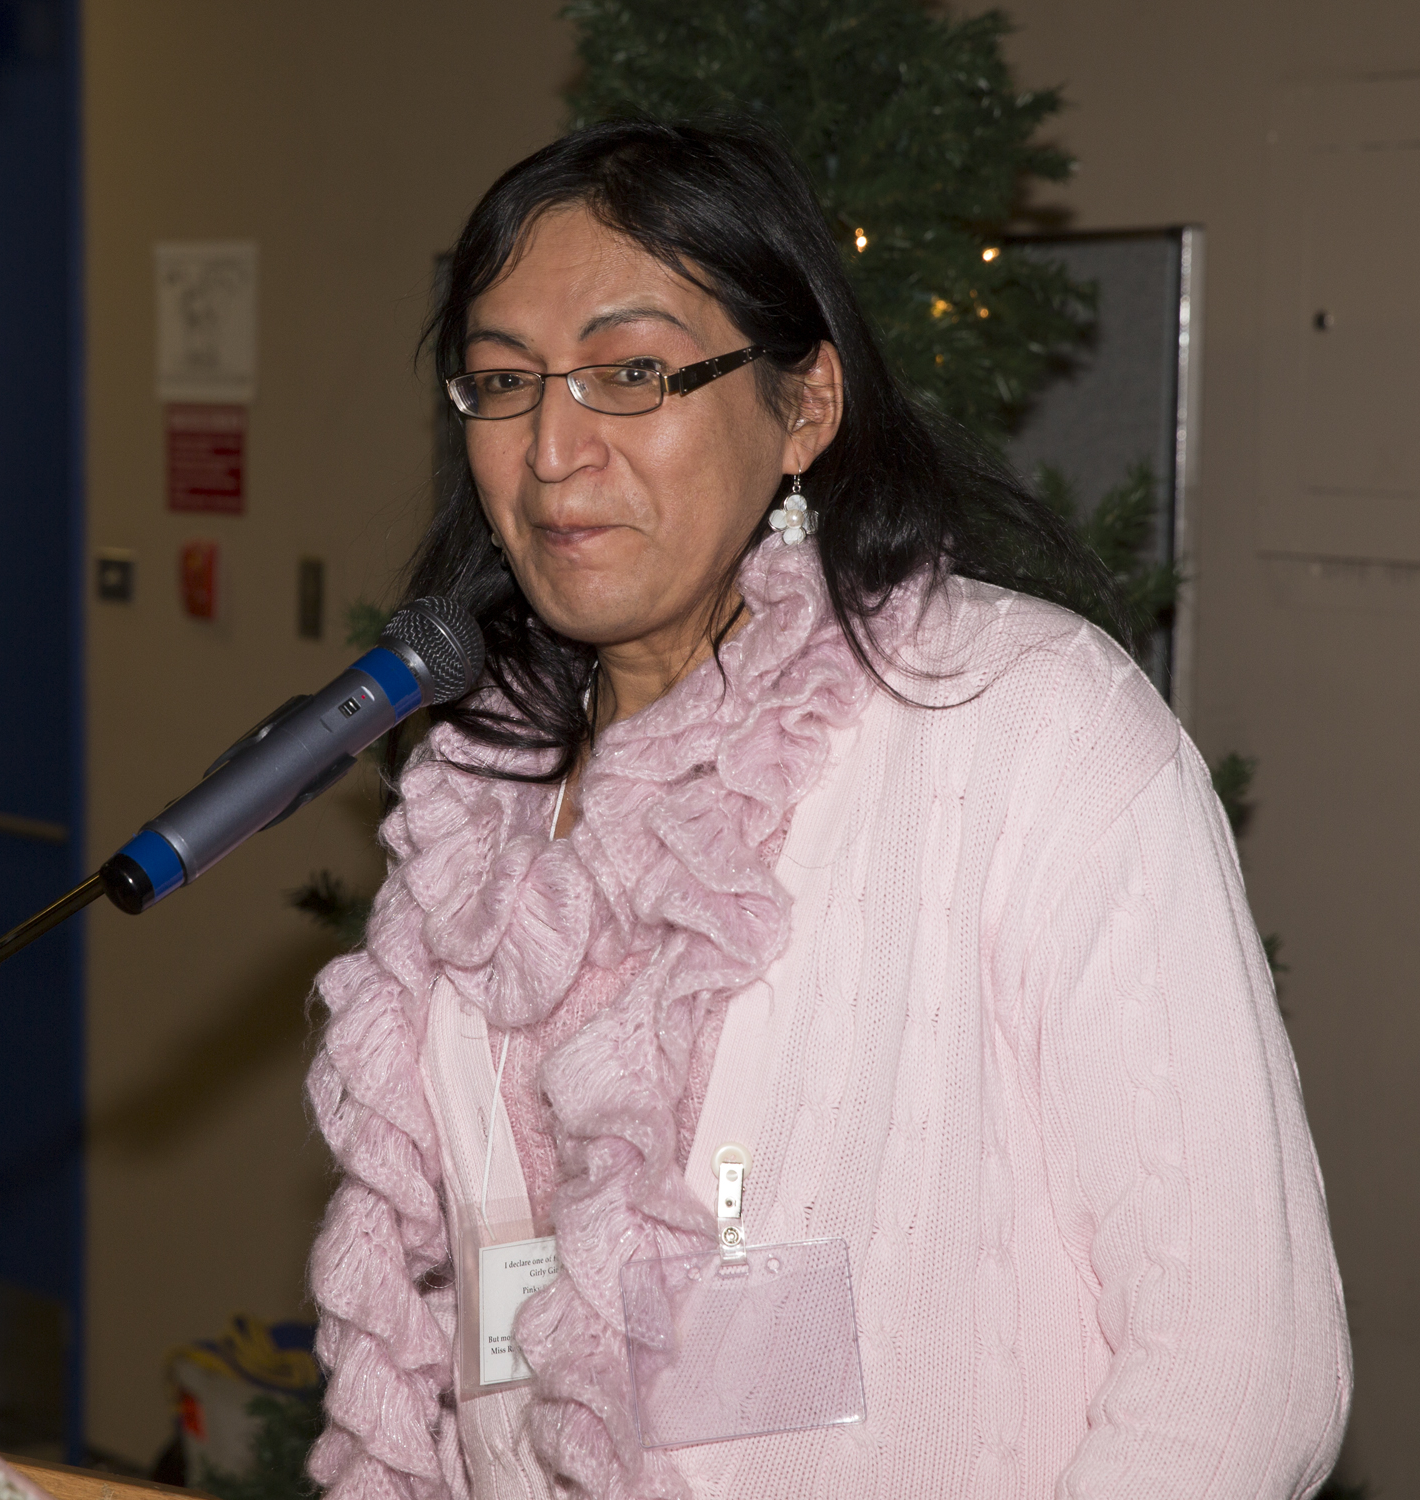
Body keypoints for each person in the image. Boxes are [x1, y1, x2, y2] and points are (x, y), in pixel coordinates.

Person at [305, 119, 1349, 1500]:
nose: (552, 449)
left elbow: (1242, 1374)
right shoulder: (479, 797)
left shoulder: (1027, 725)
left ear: (804, 406)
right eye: (503, 383)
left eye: (631, 372)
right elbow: (495, 1335)